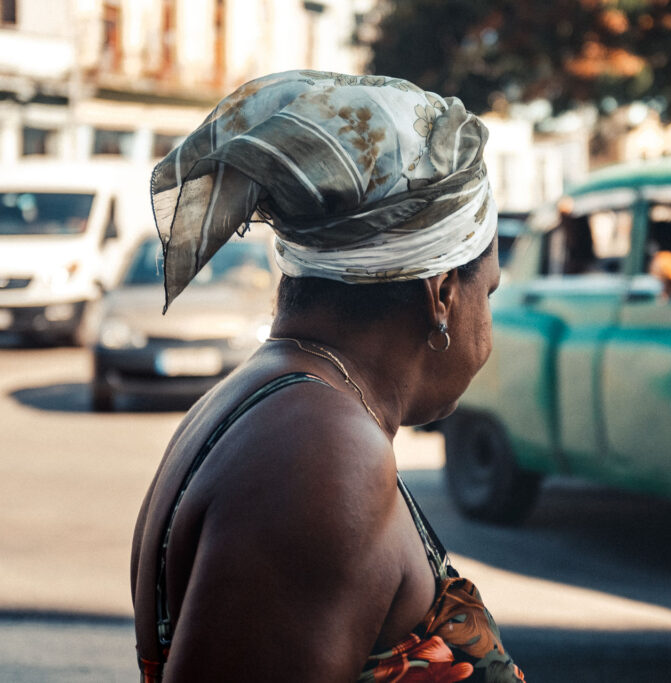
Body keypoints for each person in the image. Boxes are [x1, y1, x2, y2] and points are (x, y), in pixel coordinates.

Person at [130, 71, 525, 683]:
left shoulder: (275, 399)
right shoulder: (322, 454)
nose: (488, 325)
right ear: (442, 292)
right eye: (490, 291)